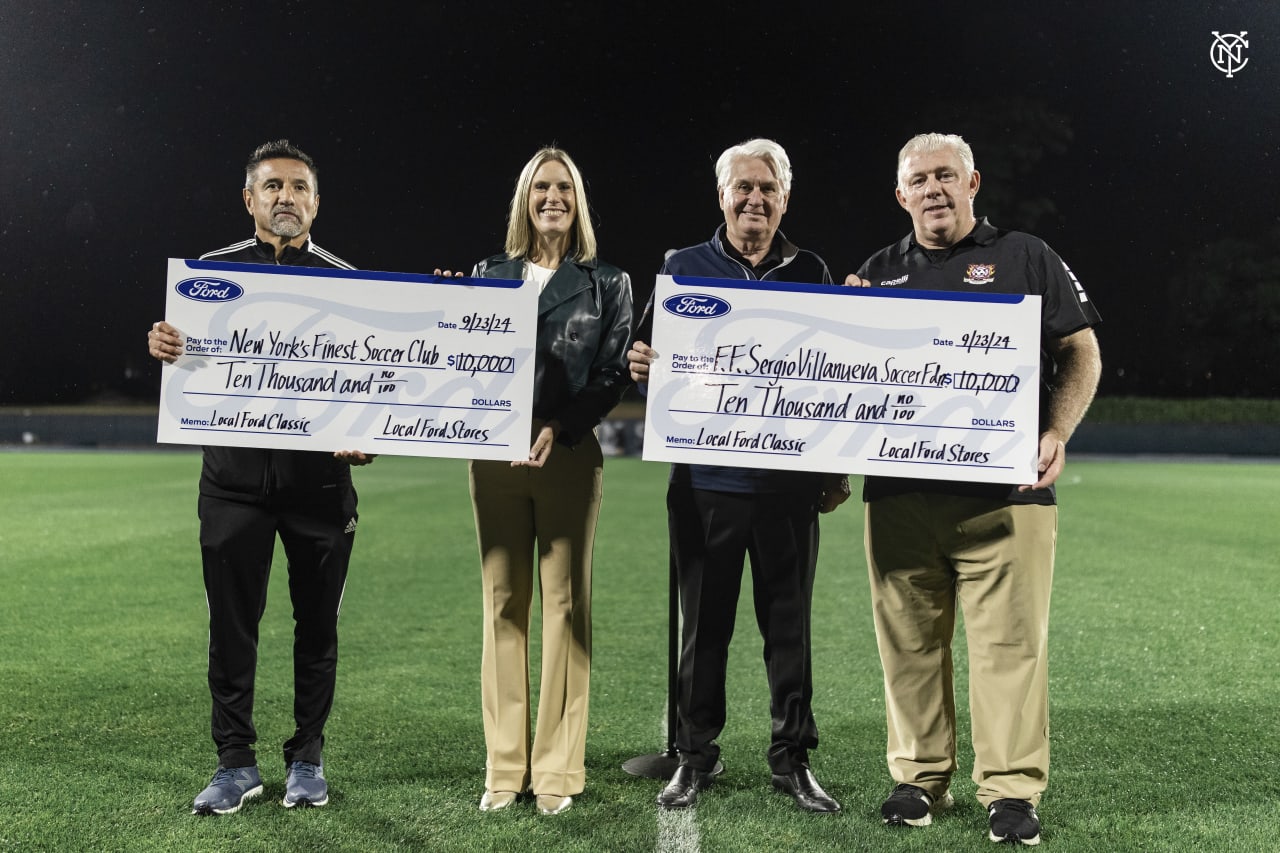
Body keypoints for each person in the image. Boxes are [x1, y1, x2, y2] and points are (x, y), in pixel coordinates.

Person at [852, 133, 1102, 845]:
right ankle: (918, 778)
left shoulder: (1024, 255)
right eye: (918, 180)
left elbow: (1081, 348)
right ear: (901, 195)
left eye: (944, 175)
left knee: (1011, 647)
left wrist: (1057, 430)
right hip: (901, 495)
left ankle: (1012, 789)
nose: (932, 188)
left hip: (1006, 497)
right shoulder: (874, 273)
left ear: (972, 183)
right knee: (907, 644)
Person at [147, 139, 373, 815]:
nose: (285, 197)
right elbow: (190, 371)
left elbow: (368, 387)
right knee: (232, 630)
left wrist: (364, 440)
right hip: (233, 486)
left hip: (319, 491)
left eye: (298, 186)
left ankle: (308, 757)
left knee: (317, 630)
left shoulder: (351, 282)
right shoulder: (205, 278)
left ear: (315, 202)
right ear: (249, 200)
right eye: (272, 186)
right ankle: (234, 763)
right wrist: (166, 347)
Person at [628, 138, 848, 813]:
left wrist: (835, 468)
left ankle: (793, 758)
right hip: (705, 487)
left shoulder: (812, 269)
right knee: (706, 628)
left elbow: (837, 373)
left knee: (789, 630)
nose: (755, 199)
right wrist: (639, 368)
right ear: (721, 194)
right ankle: (695, 756)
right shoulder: (682, 267)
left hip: (787, 488)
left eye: (768, 188)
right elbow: (647, 366)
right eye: (743, 187)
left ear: (786, 195)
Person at [468, 148, 633, 816]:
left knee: (566, 608)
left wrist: (558, 425)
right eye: (541, 187)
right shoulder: (488, 272)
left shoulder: (607, 282)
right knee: (503, 603)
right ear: (525, 198)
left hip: (566, 452)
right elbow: (464, 354)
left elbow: (612, 373)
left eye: (564, 186)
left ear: (578, 199)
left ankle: (558, 770)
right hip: (494, 457)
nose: (553, 197)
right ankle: (505, 769)